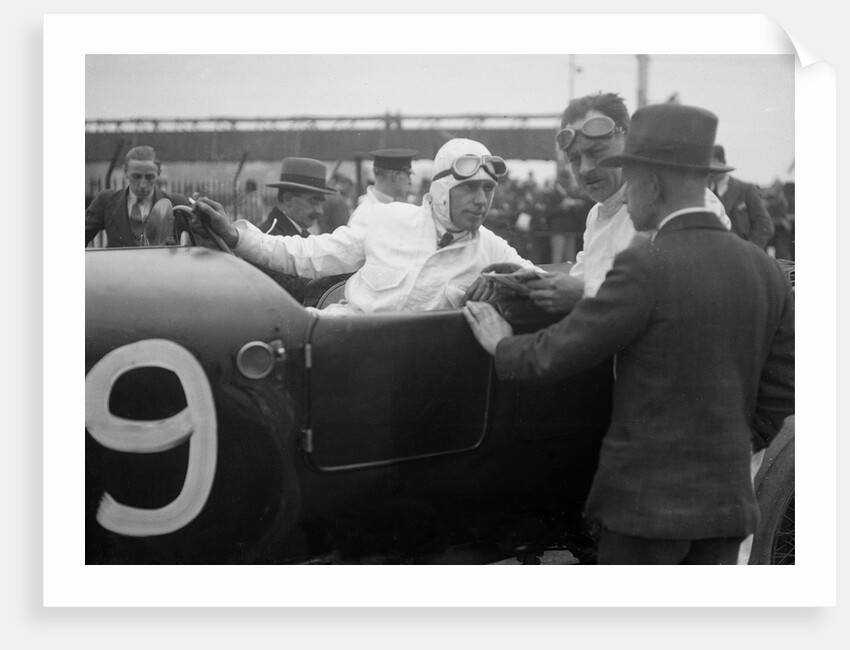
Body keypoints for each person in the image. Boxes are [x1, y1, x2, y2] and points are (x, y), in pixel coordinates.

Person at [463, 104, 795, 565]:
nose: (622, 192)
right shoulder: (767, 269)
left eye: (629, 177)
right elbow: (785, 383)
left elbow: (566, 349)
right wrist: (741, 441)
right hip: (727, 505)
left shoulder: (645, 261)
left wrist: (504, 344)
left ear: (652, 183)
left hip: (646, 510)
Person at [190, 138, 536, 314]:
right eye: (470, 188)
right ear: (443, 189)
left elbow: (549, 286)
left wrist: (510, 286)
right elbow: (307, 255)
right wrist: (235, 236)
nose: (481, 200)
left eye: (488, 189)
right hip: (339, 346)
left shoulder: (493, 250)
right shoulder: (384, 219)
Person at [519, 92, 730, 314]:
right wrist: (522, 280)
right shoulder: (597, 214)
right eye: (575, 159)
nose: (585, 169)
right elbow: (578, 281)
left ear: (629, 142)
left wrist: (584, 293)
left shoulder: (688, 205)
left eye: (597, 152)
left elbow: (683, 296)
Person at [85, 145, 190, 247]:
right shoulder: (106, 201)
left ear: (158, 173)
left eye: (149, 177)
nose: (142, 184)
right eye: (136, 176)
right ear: (125, 172)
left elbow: (200, 243)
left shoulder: (176, 203)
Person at [709, 145, 774, 249]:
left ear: (723, 163)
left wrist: (750, 250)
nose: (713, 172)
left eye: (716, 166)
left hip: (743, 255)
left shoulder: (746, 190)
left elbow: (764, 225)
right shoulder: (705, 193)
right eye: (710, 168)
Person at [257, 157, 336, 237]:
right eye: (313, 202)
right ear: (288, 199)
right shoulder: (268, 241)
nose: (320, 211)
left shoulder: (299, 236)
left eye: (321, 204)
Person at [348, 149, 417, 230]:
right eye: (408, 175)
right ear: (396, 175)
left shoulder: (398, 207)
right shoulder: (364, 216)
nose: (410, 182)